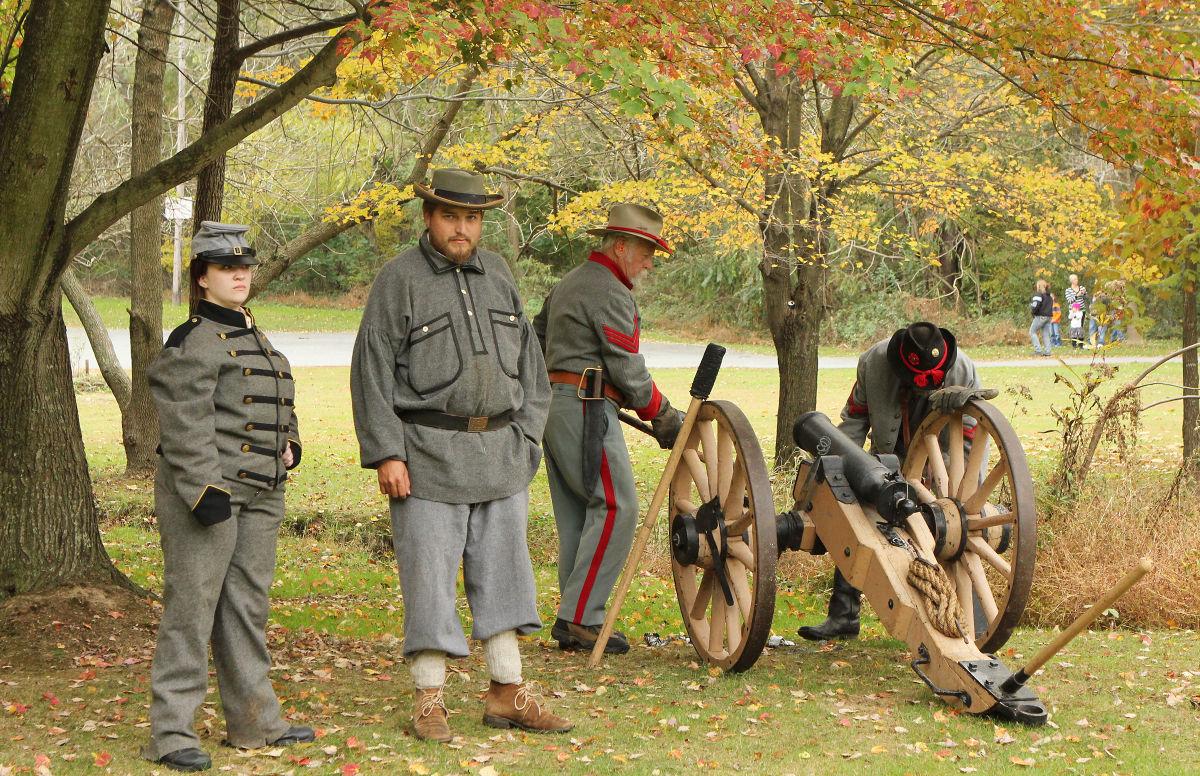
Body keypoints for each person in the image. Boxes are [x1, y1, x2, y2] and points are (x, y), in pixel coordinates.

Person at [350, 168, 571, 742]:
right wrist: (385, 454)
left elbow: (531, 367)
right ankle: (429, 699)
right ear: (428, 217)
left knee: (506, 577)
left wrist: (527, 436)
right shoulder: (398, 280)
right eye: (451, 216)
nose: (461, 229)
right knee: (428, 581)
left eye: (471, 218)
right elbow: (371, 370)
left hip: (501, 455)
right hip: (424, 458)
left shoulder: (499, 273)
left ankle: (506, 690)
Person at [144, 222, 312, 772]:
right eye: (225, 267)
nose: (239, 273)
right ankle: (170, 733)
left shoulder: (252, 333)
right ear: (202, 279)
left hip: (261, 489)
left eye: (244, 265)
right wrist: (202, 489)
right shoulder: (190, 341)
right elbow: (183, 423)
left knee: (246, 606)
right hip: (209, 494)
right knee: (191, 610)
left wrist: (288, 440)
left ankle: (254, 721)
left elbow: (267, 396)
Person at [533, 203, 684, 655]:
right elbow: (629, 370)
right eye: (645, 251)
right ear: (620, 246)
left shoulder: (571, 282)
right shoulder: (609, 291)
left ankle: (574, 616)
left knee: (580, 516)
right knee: (619, 507)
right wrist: (663, 414)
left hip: (557, 405)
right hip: (585, 406)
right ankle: (581, 618)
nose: (650, 263)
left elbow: (537, 337)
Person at [797, 322, 996, 641]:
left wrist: (964, 499)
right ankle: (843, 616)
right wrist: (841, 469)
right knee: (855, 515)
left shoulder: (963, 371)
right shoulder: (874, 363)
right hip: (886, 458)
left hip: (941, 469)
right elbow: (855, 419)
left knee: (948, 535)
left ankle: (967, 625)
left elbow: (972, 443)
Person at [1029, 279, 1054, 357]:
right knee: (1046, 334)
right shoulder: (1049, 296)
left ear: (1038, 286)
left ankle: (1038, 350)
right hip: (1049, 317)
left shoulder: (1038, 295)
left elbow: (1035, 305)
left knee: (1032, 332)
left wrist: (1033, 312)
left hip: (1040, 316)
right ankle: (1048, 351)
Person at [1064, 274, 1087, 348]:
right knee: (1074, 327)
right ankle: (1074, 344)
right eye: (1074, 279)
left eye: (1077, 279)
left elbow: (1086, 298)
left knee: (1081, 327)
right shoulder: (1068, 290)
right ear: (1071, 281)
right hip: (1073, 311)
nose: (1076, 280)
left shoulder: (1081, 288)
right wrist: (1077, 295)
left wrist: (1084, 293)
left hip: (1082, 310)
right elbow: (1070, 301)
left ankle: (1081, 345)